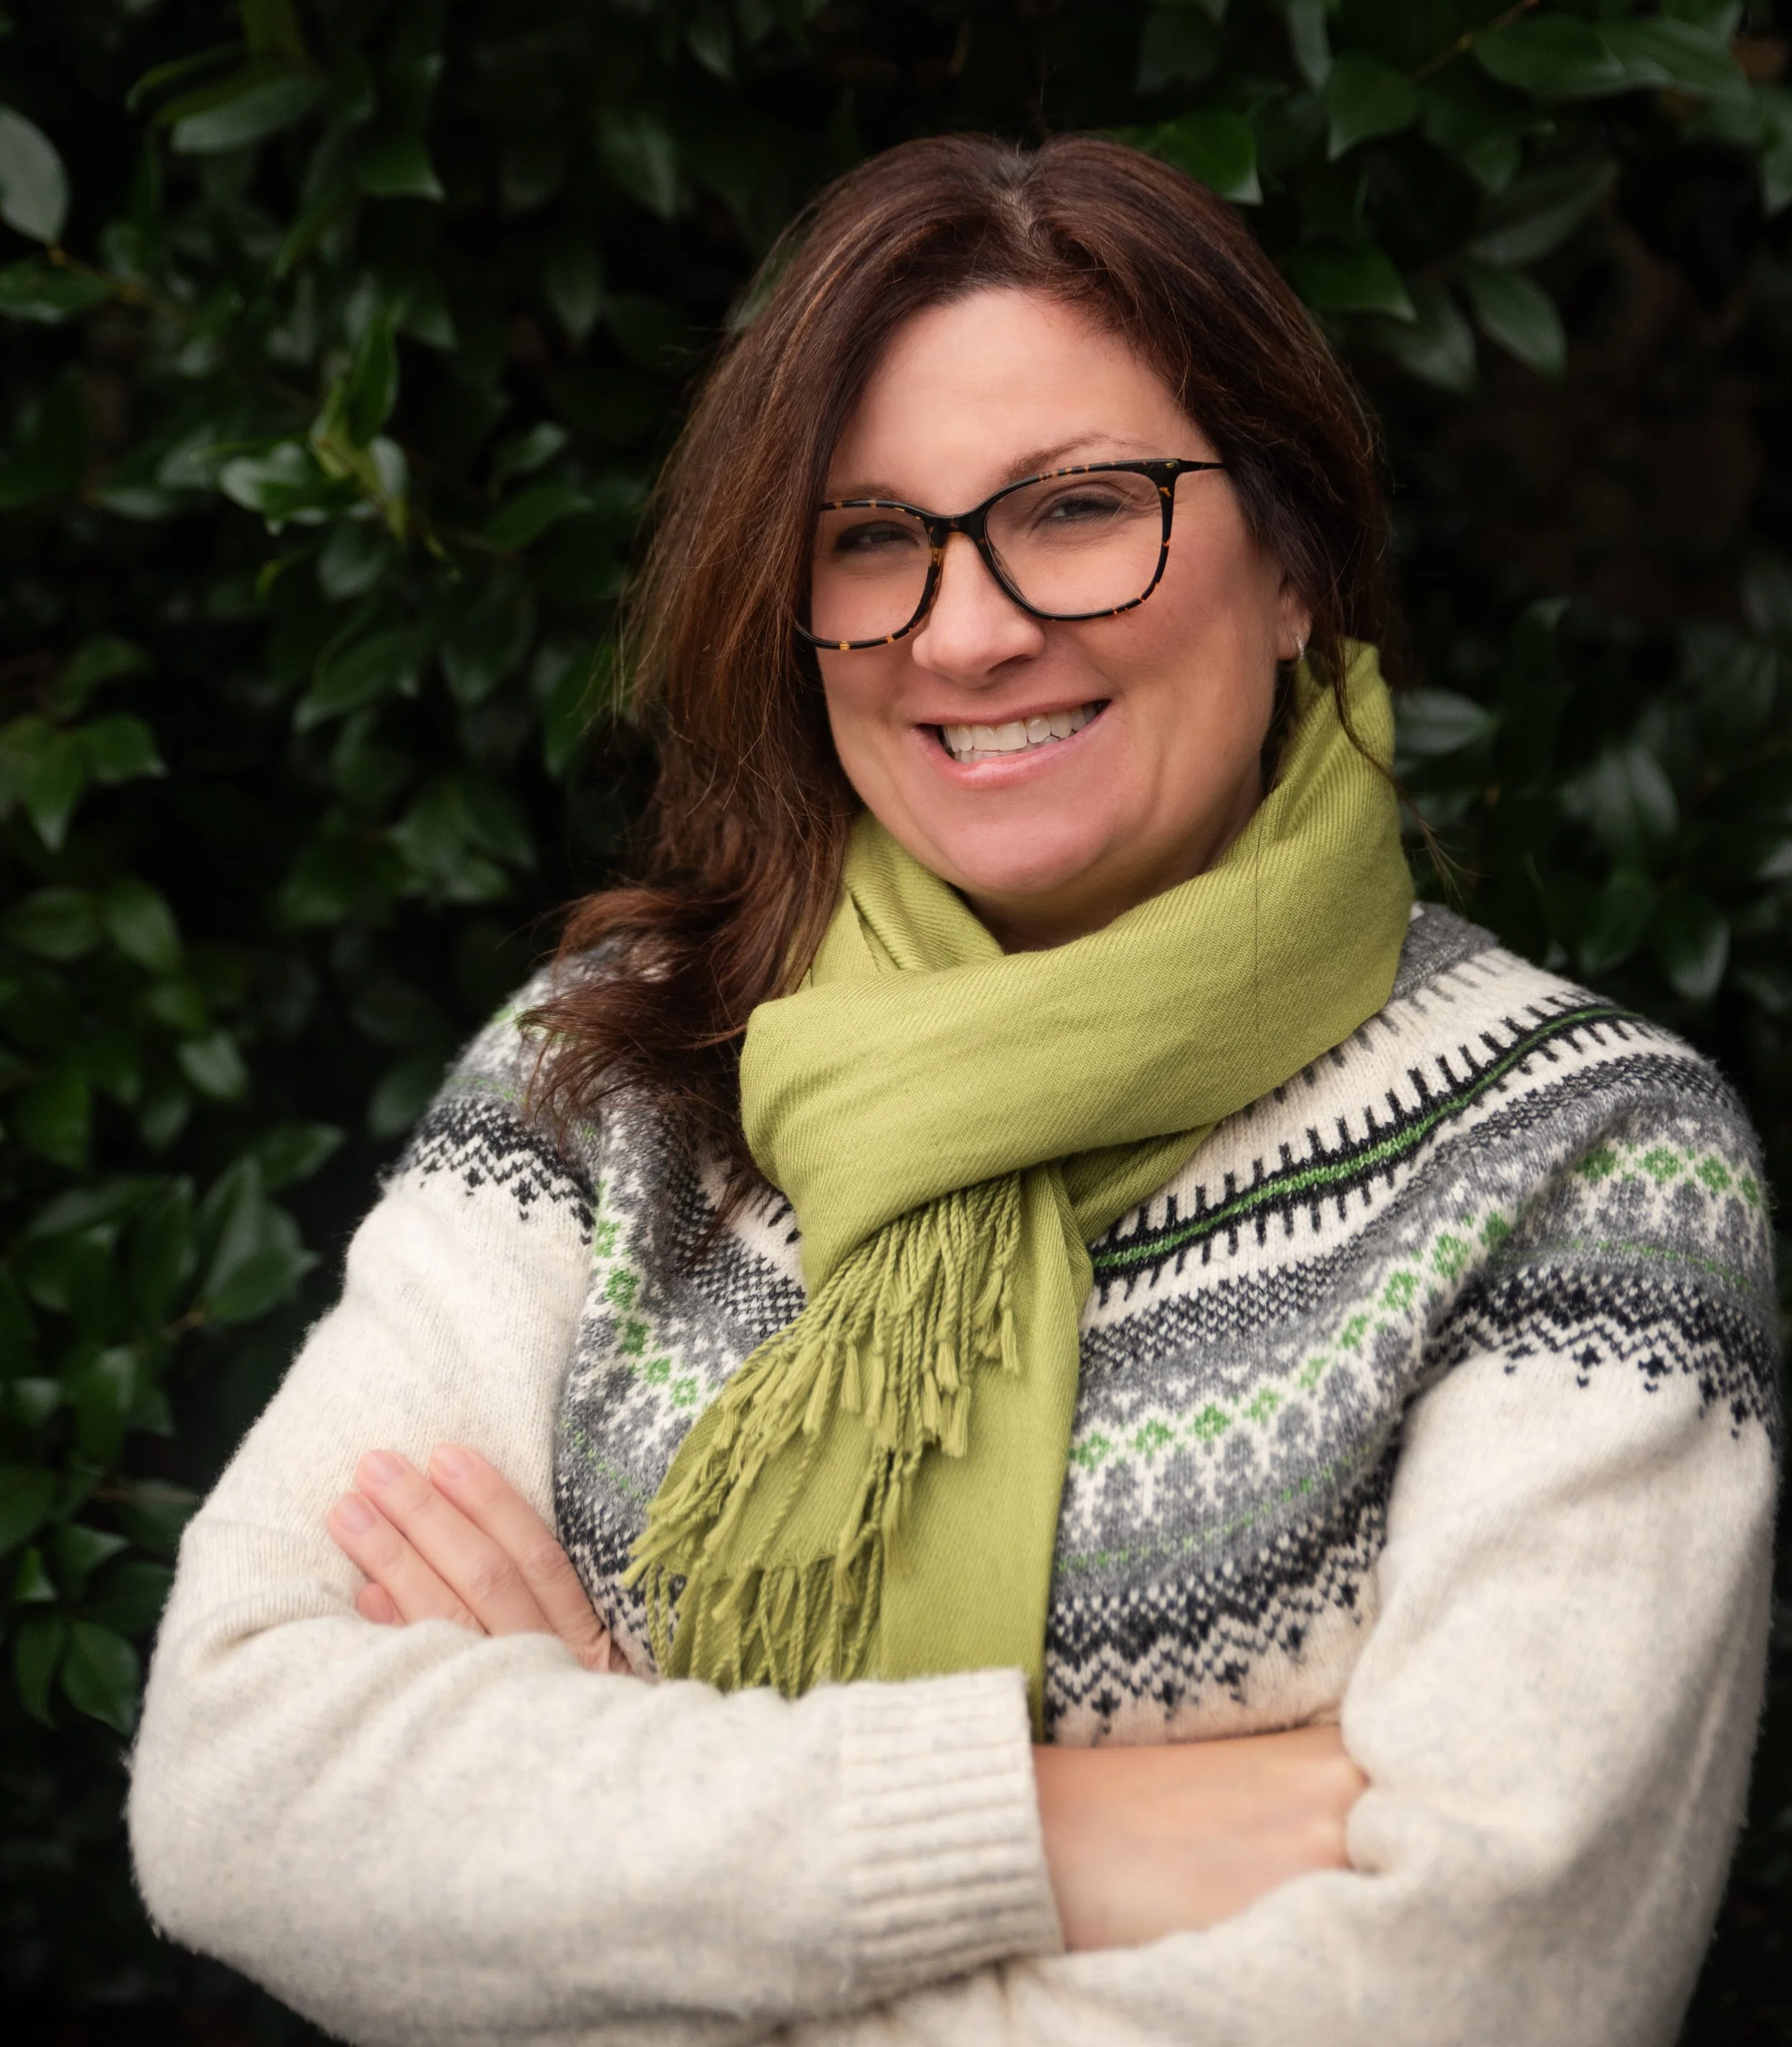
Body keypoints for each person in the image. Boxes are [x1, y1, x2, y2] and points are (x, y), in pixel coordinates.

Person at [128, 135, 1778, 2047]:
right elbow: (239, 1782)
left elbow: (1488, 1985)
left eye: (1078, 506)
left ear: (1294, 564)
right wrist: (1028, 1824)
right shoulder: (616, 1068)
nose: (966, 626)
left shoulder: (1578, 1158)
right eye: (870, 536)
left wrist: (587, 1822)